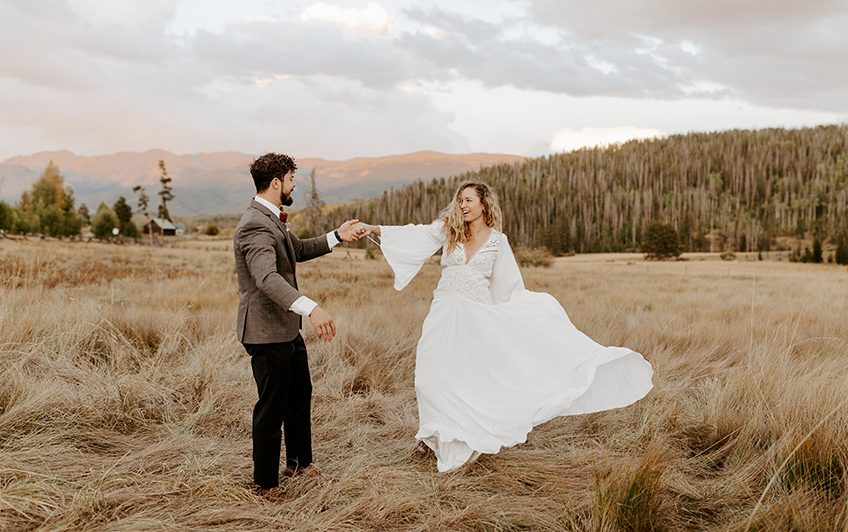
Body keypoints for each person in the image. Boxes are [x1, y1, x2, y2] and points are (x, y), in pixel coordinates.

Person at [358, 181, 653, 472]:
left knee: (465, 380)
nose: (462, 205)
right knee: (428, 376)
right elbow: (417, 234)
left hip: (476, 317)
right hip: (445, 312)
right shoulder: (449, 230)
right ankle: (434, 433)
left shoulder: (499, 242)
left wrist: (531, 312)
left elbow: (510, 286)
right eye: (459, 200)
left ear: (484, 204)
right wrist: (373, 229)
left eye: (469, 200)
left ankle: (449, 437)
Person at [234, 152, 363, 502]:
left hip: (285, 329)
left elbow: (298, 250)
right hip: (265, 332)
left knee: (299, 395)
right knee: (271, 406)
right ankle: (265, 484)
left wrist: (338, 235)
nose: (295, 184)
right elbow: (266, 278)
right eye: (292, 179)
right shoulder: (255, 224)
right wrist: (312, 308)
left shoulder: (272, 219)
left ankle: (298, 464)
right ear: (276, 183)